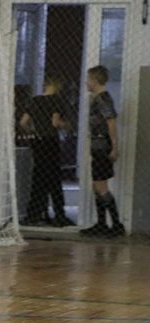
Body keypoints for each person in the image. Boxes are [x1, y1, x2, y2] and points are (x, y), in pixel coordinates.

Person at [19, 75, 73, 227]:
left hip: (38, 141)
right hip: (50, 141)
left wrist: (32, 131)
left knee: (38, 177)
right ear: (56, 86)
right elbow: (55, 122)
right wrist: (67, 126)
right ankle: (59, 214)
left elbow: (23, 122)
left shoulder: (35, 100)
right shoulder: (56, 100)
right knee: (54, 177)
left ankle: (34, 214)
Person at [80, 65, 124, 237]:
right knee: (96, 185)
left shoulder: (103, 98)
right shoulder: (96, 98)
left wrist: (114, 146)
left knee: (101, 186)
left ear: (95, 80)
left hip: (102, 146)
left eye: (88, 79)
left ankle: (117, 225)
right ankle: (101, 224)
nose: (86, 82)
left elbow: (111, 122)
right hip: (97, 145)